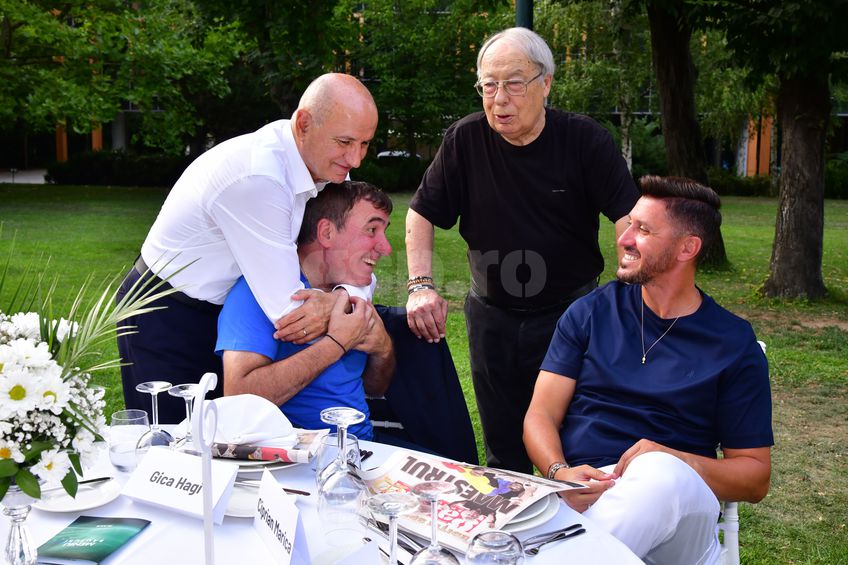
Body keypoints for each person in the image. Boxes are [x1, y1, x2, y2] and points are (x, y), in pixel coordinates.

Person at [404, 27, 640, 473]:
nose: (499, 98)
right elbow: (421, 214)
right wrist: (420, 285)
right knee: (504, 451)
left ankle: (573, 531)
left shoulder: (585, 140)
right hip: (492, 317)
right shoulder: (465, 140)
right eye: (488, 86)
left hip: (570, 315)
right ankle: (511, 533)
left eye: (514, 83)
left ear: (545, 83)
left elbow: (629, 218)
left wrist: (628, 290)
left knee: (574, 443)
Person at [523, 176, 773, 563]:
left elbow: (755, 477)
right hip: (582, 494)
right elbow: (540, 413)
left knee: (657, 474)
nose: (624, 238)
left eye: (643, 230)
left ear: (687, 247)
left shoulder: (732, 343)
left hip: (679, 512)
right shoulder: (590, 312)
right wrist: (558, 472)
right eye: (629, 224)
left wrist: (671, 458)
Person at [117, 73, 378, 423]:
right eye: (345, 142)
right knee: (175, 448)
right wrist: (346, 313)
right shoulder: (258, 179)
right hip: (165, 314)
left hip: (224, 311)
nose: (356, 159)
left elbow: (355, 262)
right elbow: (291, 315)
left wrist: (336, 298)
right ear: (303, 123)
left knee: (224, 443)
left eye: (364, 144)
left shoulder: (326, 164)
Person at [215, 181, 394, 441]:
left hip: (363, 445)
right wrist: (337, 344)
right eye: (371, 230)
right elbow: (239, 398)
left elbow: (375, 388)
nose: (386, 247)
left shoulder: (353, 292)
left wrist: (383, 349)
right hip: (297, 456)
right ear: (327, 233)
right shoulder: (258, 293)